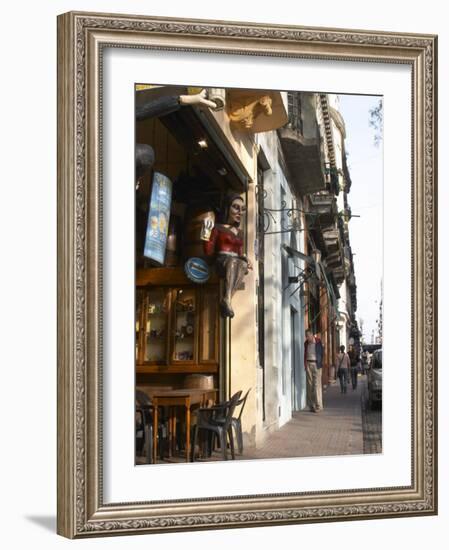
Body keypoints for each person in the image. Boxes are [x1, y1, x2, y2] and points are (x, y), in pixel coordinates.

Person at [203, 193, 252, 318]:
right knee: (234, 262)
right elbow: (208, 251)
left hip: (234, 262)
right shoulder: (218, 228)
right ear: (227, 208)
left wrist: (245, 258)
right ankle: (226, 300)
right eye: (236, 207)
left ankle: (227, 299)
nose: (240, 212)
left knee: (242, 264)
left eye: (242, 209)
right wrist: (206, 232)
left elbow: (240, 253)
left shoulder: (240, 232)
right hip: (221, 261)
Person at [304, 329, 324, 412]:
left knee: (316, 386)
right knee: (309, 386)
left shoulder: (318, 342)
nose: (307, 338)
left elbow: (322, 353)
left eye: (308, 336)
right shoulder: (306, 343)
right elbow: (305, 353)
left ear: (312, 335)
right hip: (308, 364)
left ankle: (318, 406)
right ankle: (311, 405)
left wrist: (319, 362)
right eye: (306, 336)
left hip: (316, 365)